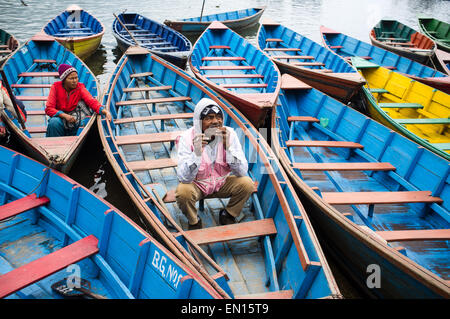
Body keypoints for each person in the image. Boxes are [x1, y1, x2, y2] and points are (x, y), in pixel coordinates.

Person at [175, 98, 255, 230]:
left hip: (220, 182)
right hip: (198, 185)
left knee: (247, 184)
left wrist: (228, 148)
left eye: (219, 117)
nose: (216, 122)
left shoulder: (230, 134)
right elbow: (184, 178)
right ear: (199, 122)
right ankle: (194, 221)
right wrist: (197, 153)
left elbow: (241, 172)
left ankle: (229, 214)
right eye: (209, 118)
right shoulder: (186, 138)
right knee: (183, 192)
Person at [45, 63, 111, 137]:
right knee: (54, 123)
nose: (75, 81)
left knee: (85, 121)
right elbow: (49, 109)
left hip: (76, 117)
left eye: (76, 78)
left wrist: (104, 111)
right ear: (64, 80)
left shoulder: (80, 87)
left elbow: (91, 101)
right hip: (61, 118)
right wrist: (64, 116)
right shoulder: (56, 87)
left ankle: (77, 137)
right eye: (71, 78)